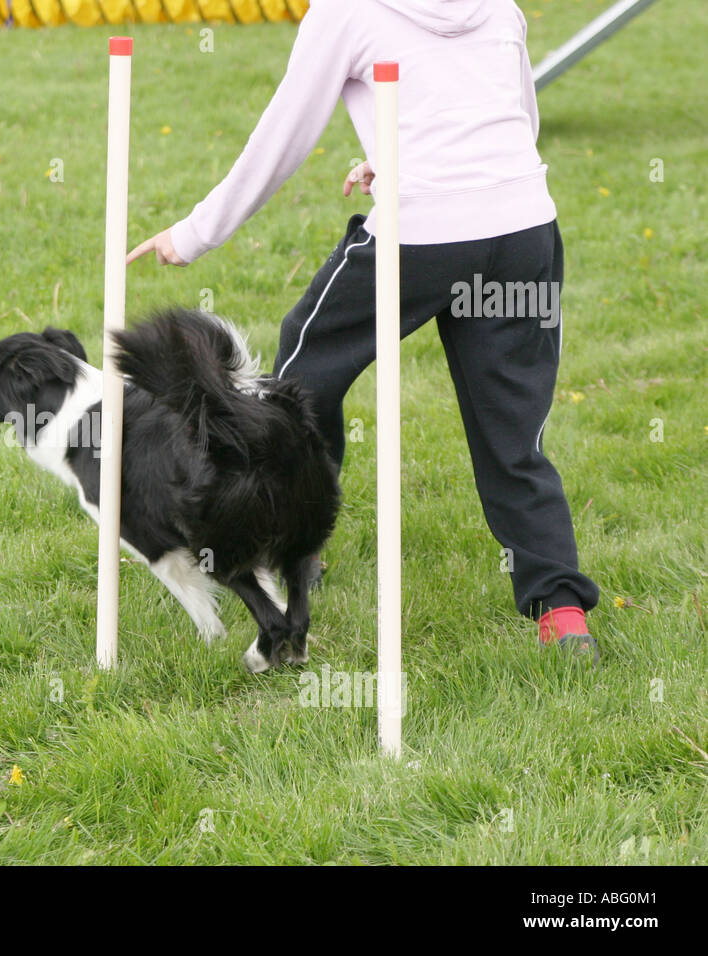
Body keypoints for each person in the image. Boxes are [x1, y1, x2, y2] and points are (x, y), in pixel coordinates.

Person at [127, 0, 600, 661]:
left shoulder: (343, 9)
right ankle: (563, 609)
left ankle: (296, 547)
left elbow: (284, 135)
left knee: (299, 376)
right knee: (513, 430)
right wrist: (396, 154)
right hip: (522, 226)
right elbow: (514, 118)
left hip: (421, 232)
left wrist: (198, 231)